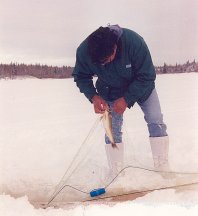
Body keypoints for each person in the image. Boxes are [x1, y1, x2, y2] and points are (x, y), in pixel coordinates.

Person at [72, 24, 169, 174]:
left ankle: (162, 167)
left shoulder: (134, 42)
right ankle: (116, 172)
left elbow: (147, 76)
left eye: (108, 58)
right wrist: (94, 96)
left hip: (142, 86)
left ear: (115, 47)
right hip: (110, 90)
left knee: (156, 120)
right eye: (101, 62)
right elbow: (81, 76)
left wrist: (126, 99)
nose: (106, 63)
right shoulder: (84, 51)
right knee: (112, 130)